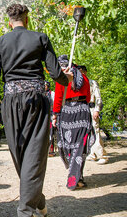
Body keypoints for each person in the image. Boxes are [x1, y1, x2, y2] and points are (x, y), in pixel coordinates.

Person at [0, 4, 73, 217]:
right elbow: (55, 73)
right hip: (36, 100)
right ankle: (38, 201)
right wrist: (67, 79)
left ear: (9, 21)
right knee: (32, 156)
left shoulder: (0, 42)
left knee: (21, 156)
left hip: (10, 103)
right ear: (27, 19)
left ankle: (25, 211)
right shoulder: (40, 37)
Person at [52, 56, 94, 190]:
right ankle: (78, 176)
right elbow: (87, 96)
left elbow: (58, 98)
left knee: (69, 146)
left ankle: (73, 175)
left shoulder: (63, 78)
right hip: (83, 111)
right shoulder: (83, 77)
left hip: (67, 112)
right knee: (80, 145)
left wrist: (55, 116)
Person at [78, 65, 108, 164]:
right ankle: (92, 153)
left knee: (95, 130)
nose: (80, 73)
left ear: (85, 72)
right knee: (86, 132)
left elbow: (98, 97)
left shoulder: (92, 83)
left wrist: (97, 110)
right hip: (82, 109)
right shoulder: (78, 84)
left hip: (92, 108)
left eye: (82, 71)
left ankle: (102, 155)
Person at [45, 81, 57, 157]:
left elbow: (55, 104)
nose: (44, 86)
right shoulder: (40, 93)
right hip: (43, 115)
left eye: (45, 85)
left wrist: (55, 115)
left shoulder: (52, 94)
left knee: (51, 132)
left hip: (50, 114)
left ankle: (51, 150)